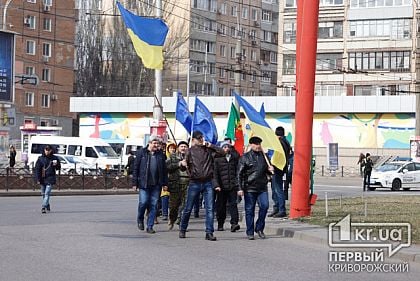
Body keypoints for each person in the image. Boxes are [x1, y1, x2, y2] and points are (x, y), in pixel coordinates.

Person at [179, 130, 225, 241]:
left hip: (208, 182)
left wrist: (212, 146)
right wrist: (182, 164)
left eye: (202, 138)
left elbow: (223, 153)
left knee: (210, 209)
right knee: (188, 208)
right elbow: (183, 166)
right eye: (199, 138)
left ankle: (209, 232)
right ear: (193, 140)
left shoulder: (208, 150)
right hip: (194, 182)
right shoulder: (189, 151)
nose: (201, 140)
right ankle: (183, 229)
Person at [238, 136, 274, 240]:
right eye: (256, 144)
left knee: (265, 206)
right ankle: (250, 232)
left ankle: (259, 228)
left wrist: (270, 169)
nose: (258, 146)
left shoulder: (265, 156)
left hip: (262, 187)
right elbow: (239, 174)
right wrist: (240, 188)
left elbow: (267, 171)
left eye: (259, 144)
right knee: (250, 210)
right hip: (249, 188)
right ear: (251, 145)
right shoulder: (245, 157)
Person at [132, 136, 168, 234]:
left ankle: (150, 226)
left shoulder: (160, 155)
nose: (156, 145)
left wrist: (165, 183)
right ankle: (140, 218)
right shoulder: (141, 153)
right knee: (143, 202)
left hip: (156, 184)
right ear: (149, 143)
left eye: (158, 144)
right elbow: (135, 168)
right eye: (154, 143)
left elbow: (164, 171)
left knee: (154, 205)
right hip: (144, 183)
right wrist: (134, 182)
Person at [213, 141, 240, 232]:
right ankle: (220, 223)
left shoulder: (234, 158)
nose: (226, 149)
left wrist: (237, 184)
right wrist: (216, 185)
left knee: (233, 205)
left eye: (227, 147)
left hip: (232, 186)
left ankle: (234, 223)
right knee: (221, 206)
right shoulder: (217, 159)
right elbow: (215, 174)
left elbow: (237, 172)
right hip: (221, 187)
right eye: (224, 147)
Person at [166, 141, 190, 229]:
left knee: (185, 206)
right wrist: (179, 164)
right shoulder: (172, 157)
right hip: (175, 184)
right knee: (174, 206)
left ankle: (181, 224)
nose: (183, 148)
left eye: (185, 146)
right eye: (181, 146)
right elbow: (167, 167)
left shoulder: (191, 157)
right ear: (178, 148)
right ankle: (172, 219)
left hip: (187, 184)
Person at [269, 126, 291, 218]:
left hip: (278, 168)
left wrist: (272, 165)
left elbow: (277, 157)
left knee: (278, 190)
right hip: (280, 168)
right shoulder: (285, 142)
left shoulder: (280, 143)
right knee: (275, 189)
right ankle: (276, 208)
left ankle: (281, 210)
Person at [34, 145, 61, 214]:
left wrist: (56, 165)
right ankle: (47, 205)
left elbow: (58, 168)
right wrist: (37, 179)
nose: (47, 151)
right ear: (44, 150)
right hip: (42, 178)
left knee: (47, 193)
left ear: (51, 150)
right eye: (46, 149)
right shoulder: (40, 158)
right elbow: (37, 169)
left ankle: (43, 207)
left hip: (50, 178)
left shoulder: (54, 158)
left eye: (48, 150)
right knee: (43, 194)